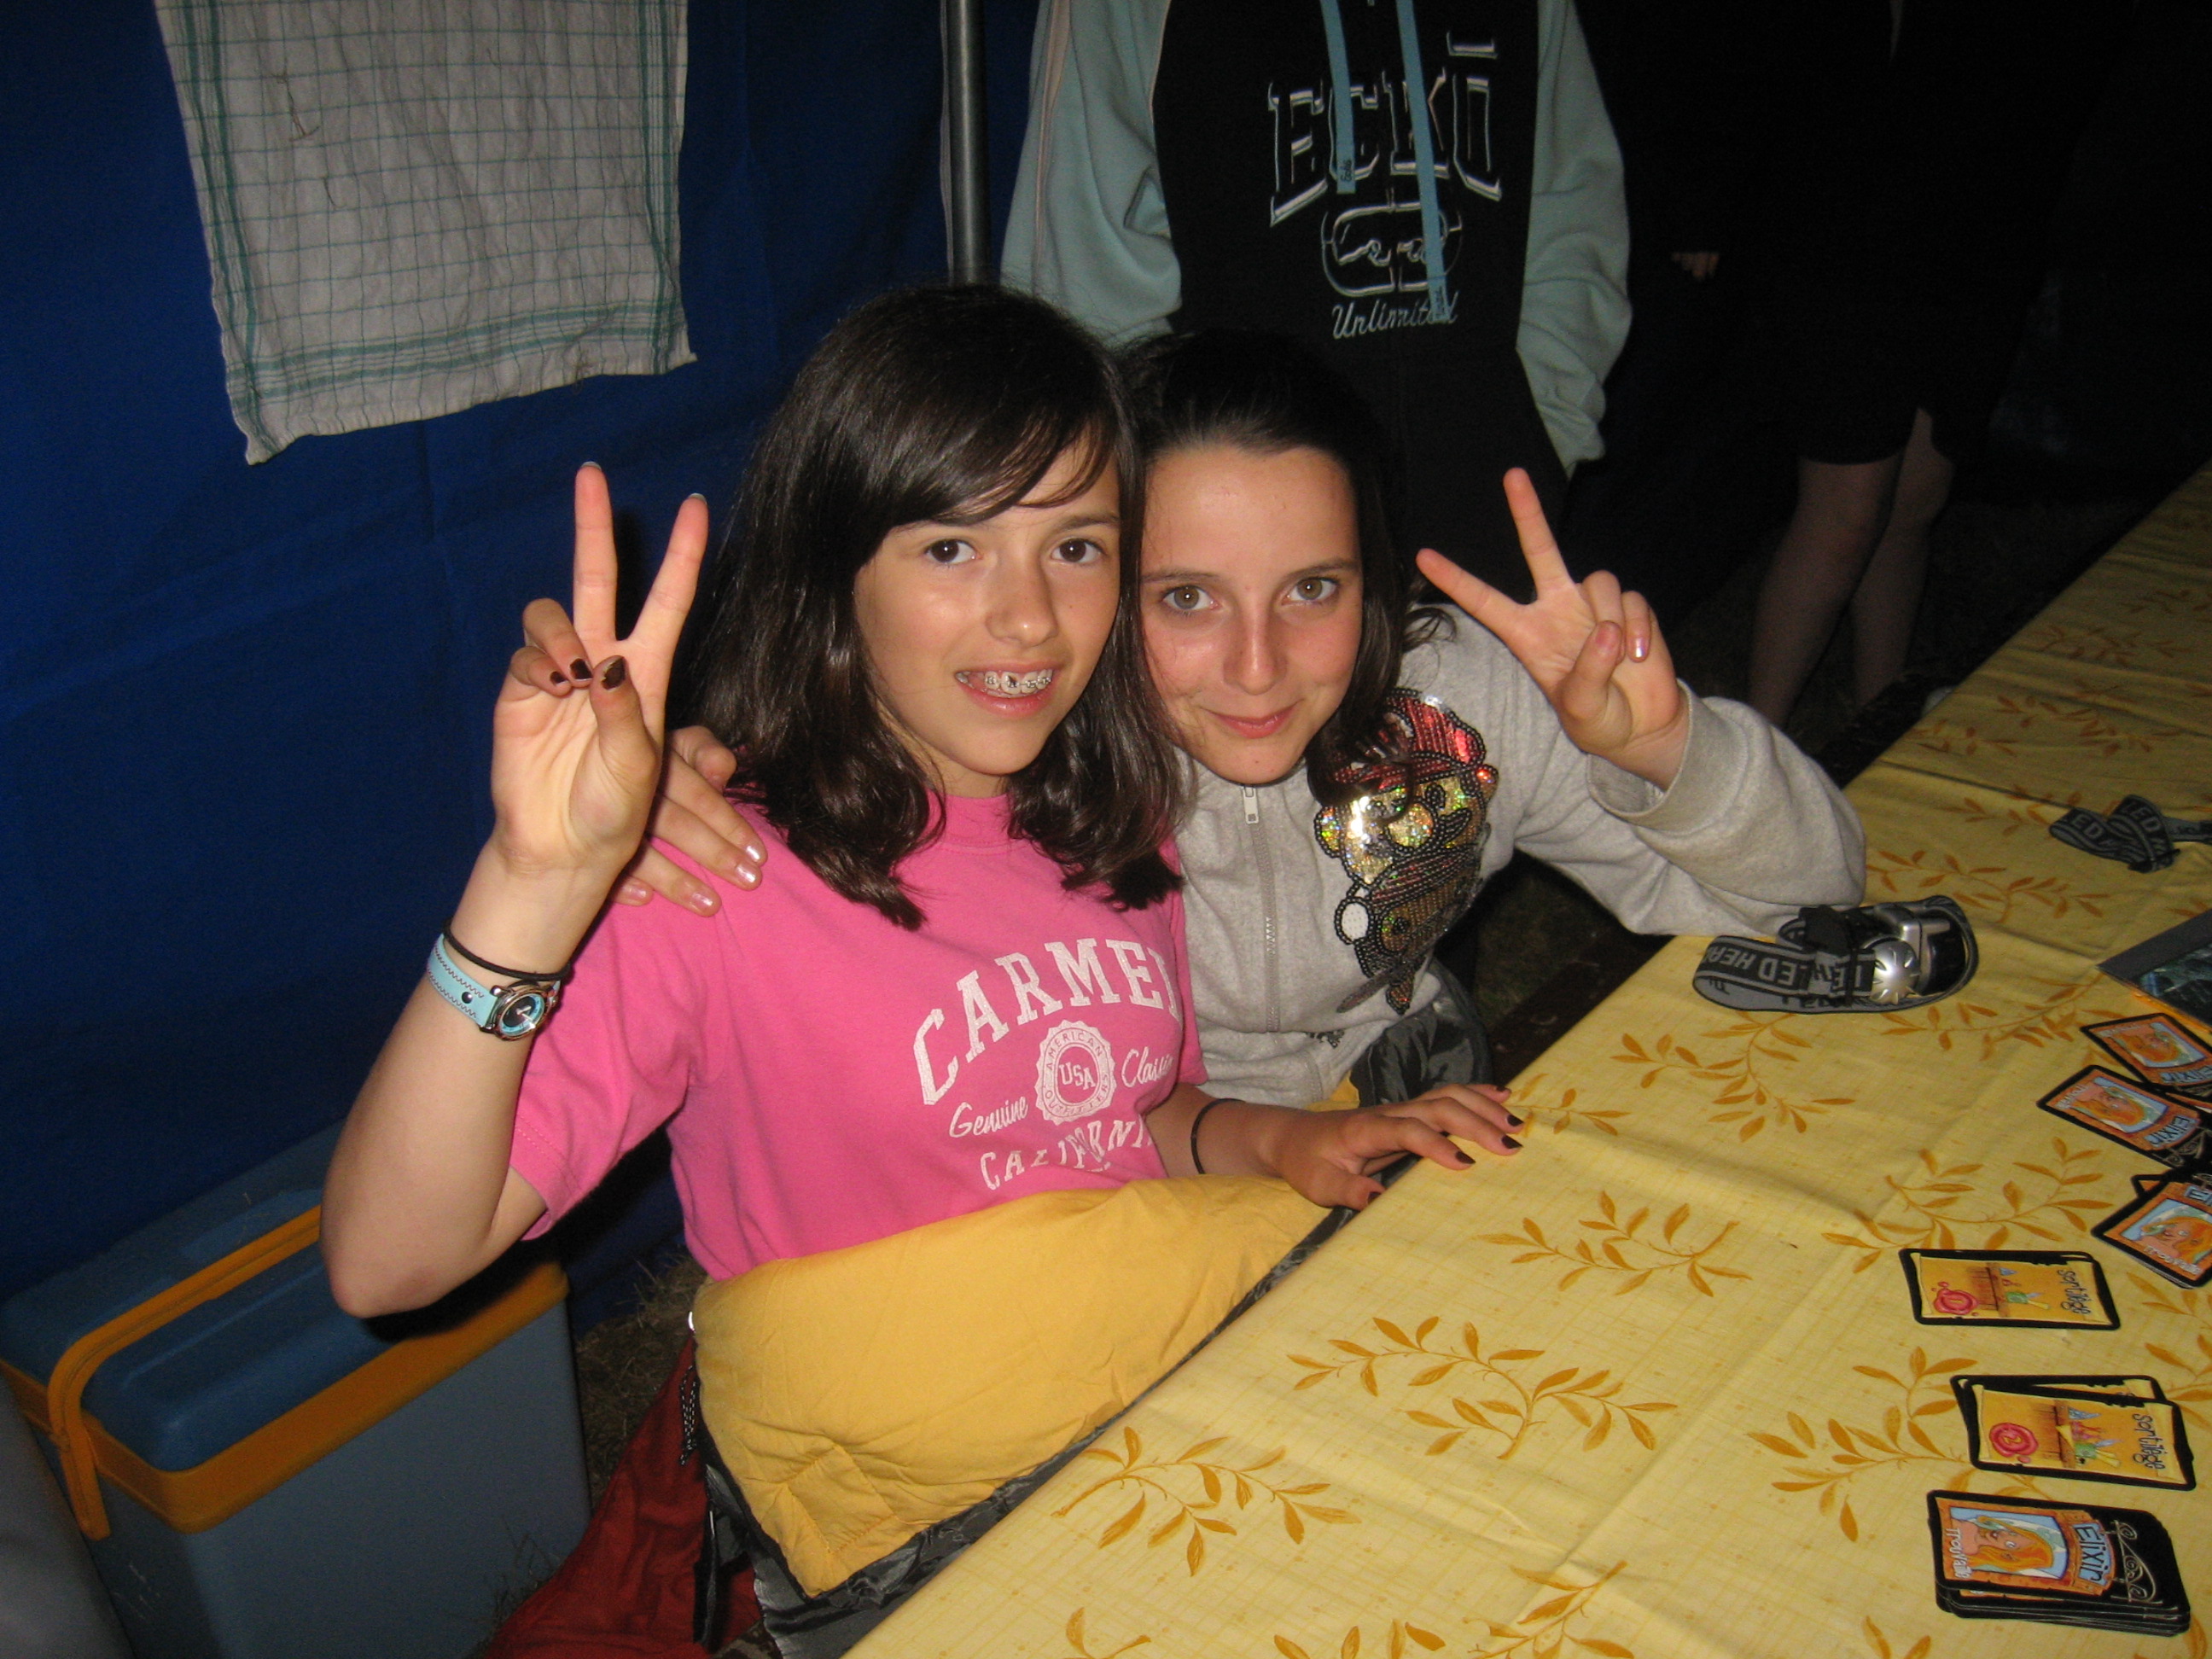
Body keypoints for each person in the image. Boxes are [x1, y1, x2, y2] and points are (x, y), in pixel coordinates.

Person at [322, 292, 1518, 1650]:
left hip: (1148, 1412)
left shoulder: (1116, 818)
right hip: (922, 1526)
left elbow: (1129, 1120)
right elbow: (387, 1263)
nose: (1028, 618)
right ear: (837, 565)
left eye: (1076, 547)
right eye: (953, 546)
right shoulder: (714, 882)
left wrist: (1284, 1140)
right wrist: (532, 884)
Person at [645, 329, 1864, 1123]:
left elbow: (1811, 899)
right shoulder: (1014, 747)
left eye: (1313, 589)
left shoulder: (1462, 699)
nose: (1256, 666)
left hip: (1421, 1094)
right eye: (1185, 598)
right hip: (1146, 1168)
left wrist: (1664, 753)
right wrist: (667, 803)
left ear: (1374, 583)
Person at [998, 0, 1629, 594]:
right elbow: (1085, 274)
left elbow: (1574, 214)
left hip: (1489, 526)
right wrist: (1163, 509)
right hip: (1235, 556)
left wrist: (1539, 436)